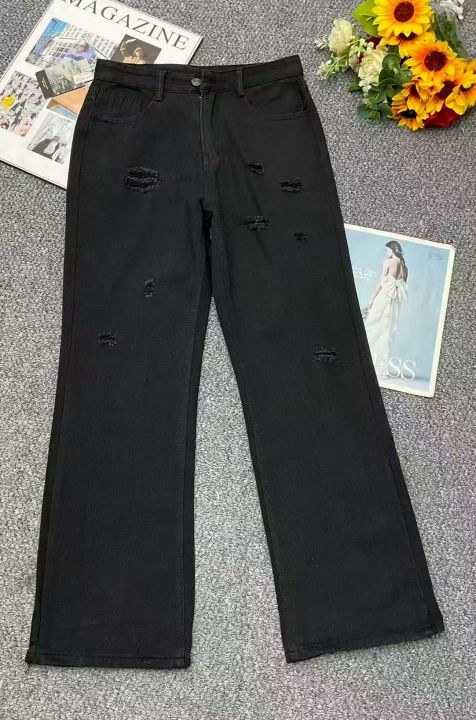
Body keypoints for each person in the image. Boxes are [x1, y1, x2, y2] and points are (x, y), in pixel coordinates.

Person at [364, 239, 408, 377]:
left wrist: (372, 299)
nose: (385, 252)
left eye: (387, 250)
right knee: (386, 331)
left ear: (392, 250)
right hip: (394, 301)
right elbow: (401, 284)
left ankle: (365, 360)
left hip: (383, 297)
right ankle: (380, 367)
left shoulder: (388, 262)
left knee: (371, 325)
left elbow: (381, 283)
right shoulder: (404, 266)